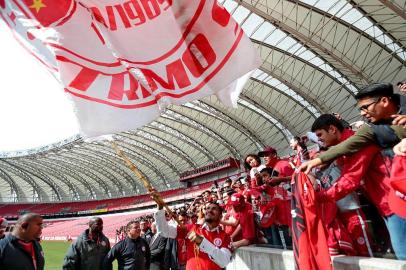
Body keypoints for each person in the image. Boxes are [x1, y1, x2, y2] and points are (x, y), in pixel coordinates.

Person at [309, 114, 406, 260]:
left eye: (320, 135)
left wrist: (317, 197)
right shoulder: (344, 148)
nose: (319, 140)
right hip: (385, 202)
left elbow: (349, 180)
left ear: (332, 129)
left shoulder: (357, 144)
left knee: (403, 253)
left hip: (393, 201)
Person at [300, 82, 406, 173]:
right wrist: (317, 161)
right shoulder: (371, 129)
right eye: (360, 109)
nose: (362, 113)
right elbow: (347, 145)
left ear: (384, 101)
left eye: (365, 108)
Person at [152, 190, 232, 270]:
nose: (209, 210)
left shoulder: (226, 236)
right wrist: (160, 208)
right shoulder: (191, 228)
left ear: (221, 216)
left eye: (214, 209)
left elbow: (224, 261)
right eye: (207, 208)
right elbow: (164, 231)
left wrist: (202, 242)